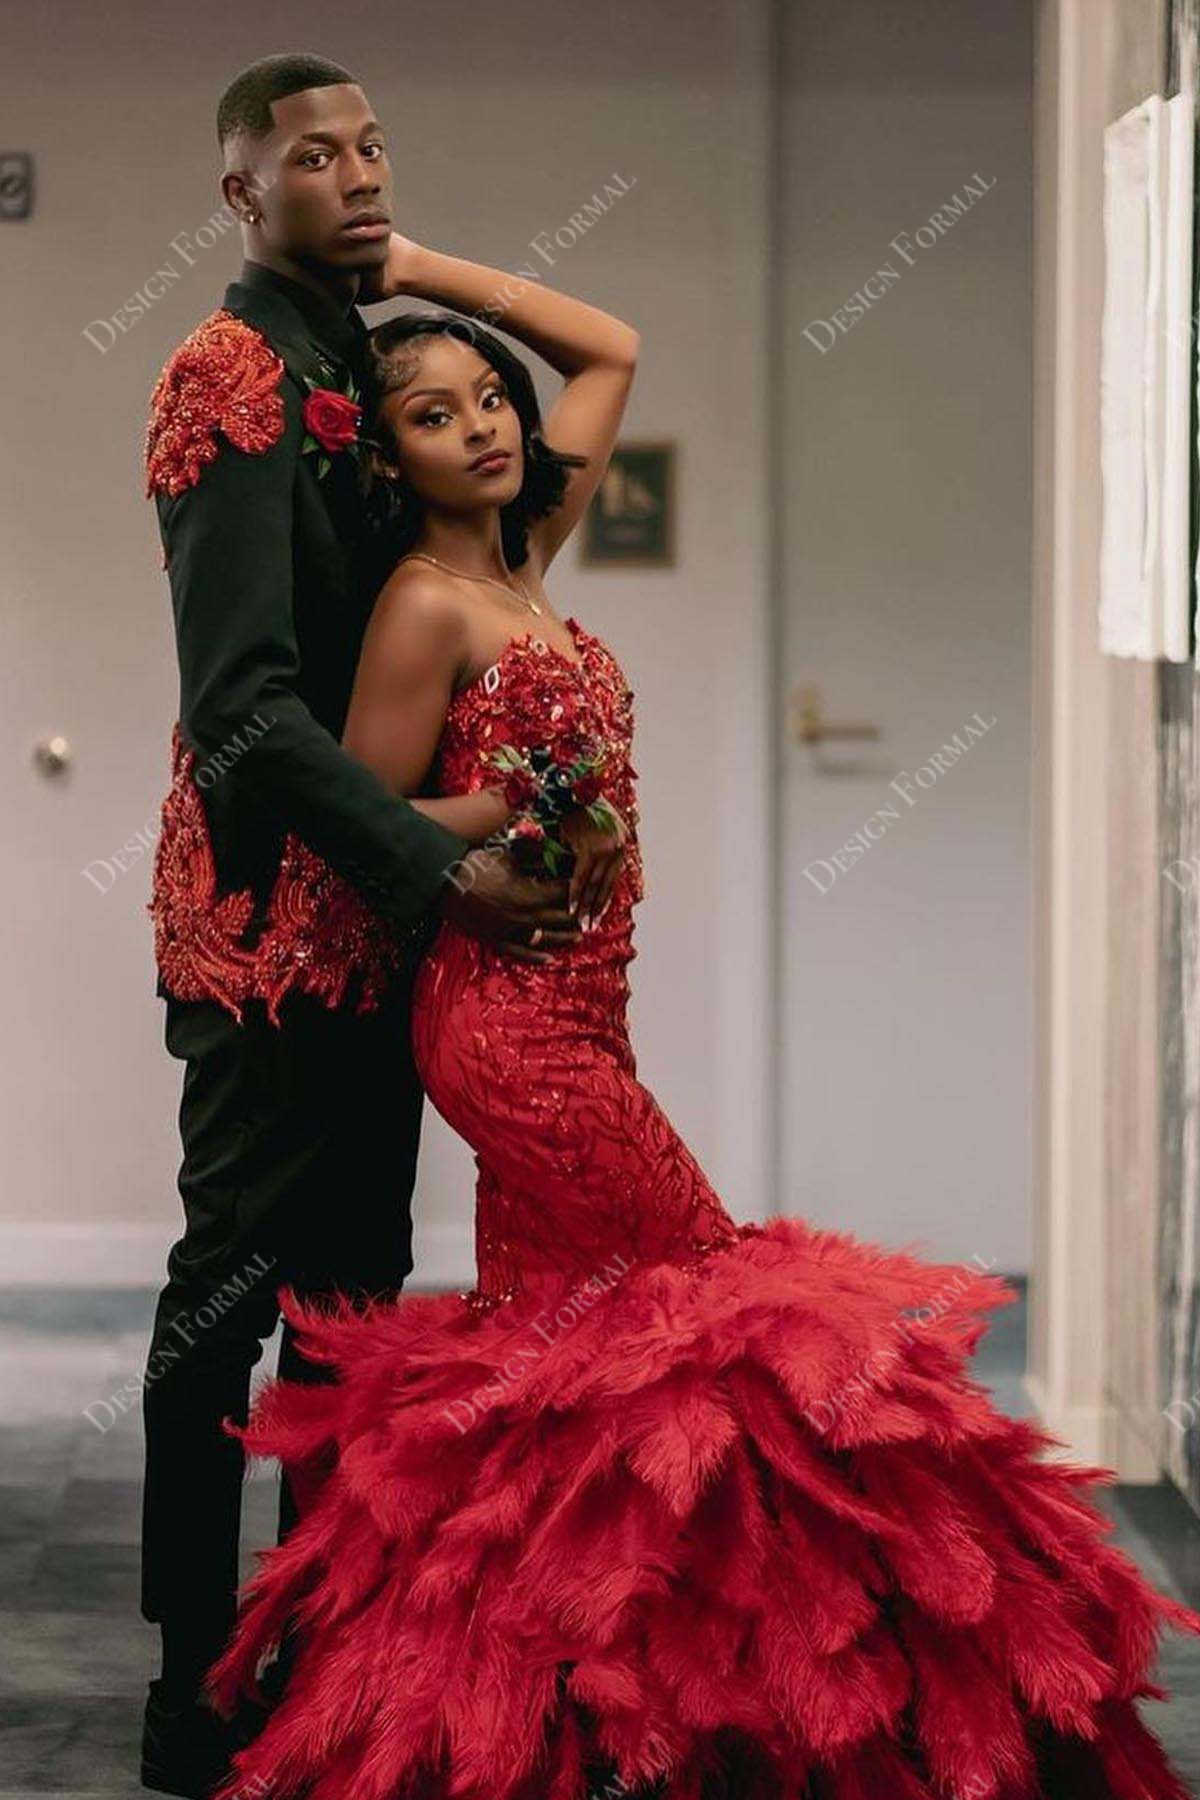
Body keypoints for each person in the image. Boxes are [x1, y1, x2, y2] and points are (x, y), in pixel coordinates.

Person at [192, 222, 1200, 1800]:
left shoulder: (525, 558)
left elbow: (608, 345)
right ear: (389, 463)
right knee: (702, 1299)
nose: (484, 426)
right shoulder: (423, 607)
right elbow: (372, 814)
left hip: (591, 1008)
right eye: (435, 416)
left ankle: (567, 1710)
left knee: (566, 1359)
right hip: (504, 1025)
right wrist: (520, 805)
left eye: (485, 399)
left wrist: (417, 272)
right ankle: (755, 1690)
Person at [138, 55, 579, 1800]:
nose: (357, 172)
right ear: (244, 194)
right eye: (313, 155)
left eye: (374, 144)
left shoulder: (358, 360)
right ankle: (190, 1685)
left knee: (359, 1303)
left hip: (374, 913)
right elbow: (241, 707)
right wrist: (435, 863)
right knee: (222, 1307)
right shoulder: (230, 369)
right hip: (262, 927)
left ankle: (321, 1659)